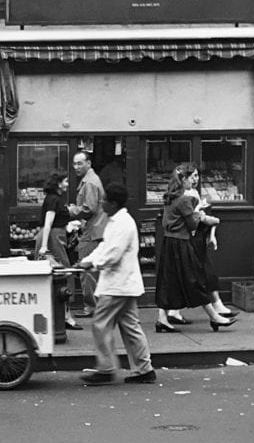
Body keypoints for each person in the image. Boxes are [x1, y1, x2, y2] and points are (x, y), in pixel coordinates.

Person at [76, 183, 157, 385]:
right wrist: (90, 259)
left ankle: (106, 368)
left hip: (118, 284)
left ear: (113, 203)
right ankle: (144, 368)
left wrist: (92, 263)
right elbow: (105, 246)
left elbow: (113, 254)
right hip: (123, 283)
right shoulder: (117, 221)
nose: (101, 203)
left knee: (100, 324)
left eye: (104, 200)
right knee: (130, 327)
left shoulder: (122, 224)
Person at [154, 163, 237, 333]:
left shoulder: (169, 197)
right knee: (195, 280)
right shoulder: (186, 199)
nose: (193, 182)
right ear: (183, 179)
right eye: (191, 178)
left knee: (168, 281)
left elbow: (166, 222)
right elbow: (192, 225)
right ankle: (214, 316)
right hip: (182, 244)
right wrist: (202, 215)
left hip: (168, 243)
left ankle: (162, 318)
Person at [38, 172, 80, 331]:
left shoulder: (54, 199)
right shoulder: (54, 199)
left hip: (56, 236)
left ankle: (62, 314)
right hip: (53, 238)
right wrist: (44, 246)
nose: (68, 184)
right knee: (64, 274)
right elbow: (48, 224)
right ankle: (66, 316)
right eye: (65, 181)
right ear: (58, 183)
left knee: (58, 275)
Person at [69, 151, 106, 318]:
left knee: (87, 270)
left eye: (80, 163)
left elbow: (88, 208)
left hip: (92, 231)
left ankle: (91, 306)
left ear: (89, 163)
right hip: (94, 229)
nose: (76, 167)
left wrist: (72, 210)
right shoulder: (90, 180)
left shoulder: (90, 183)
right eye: (75, 163)